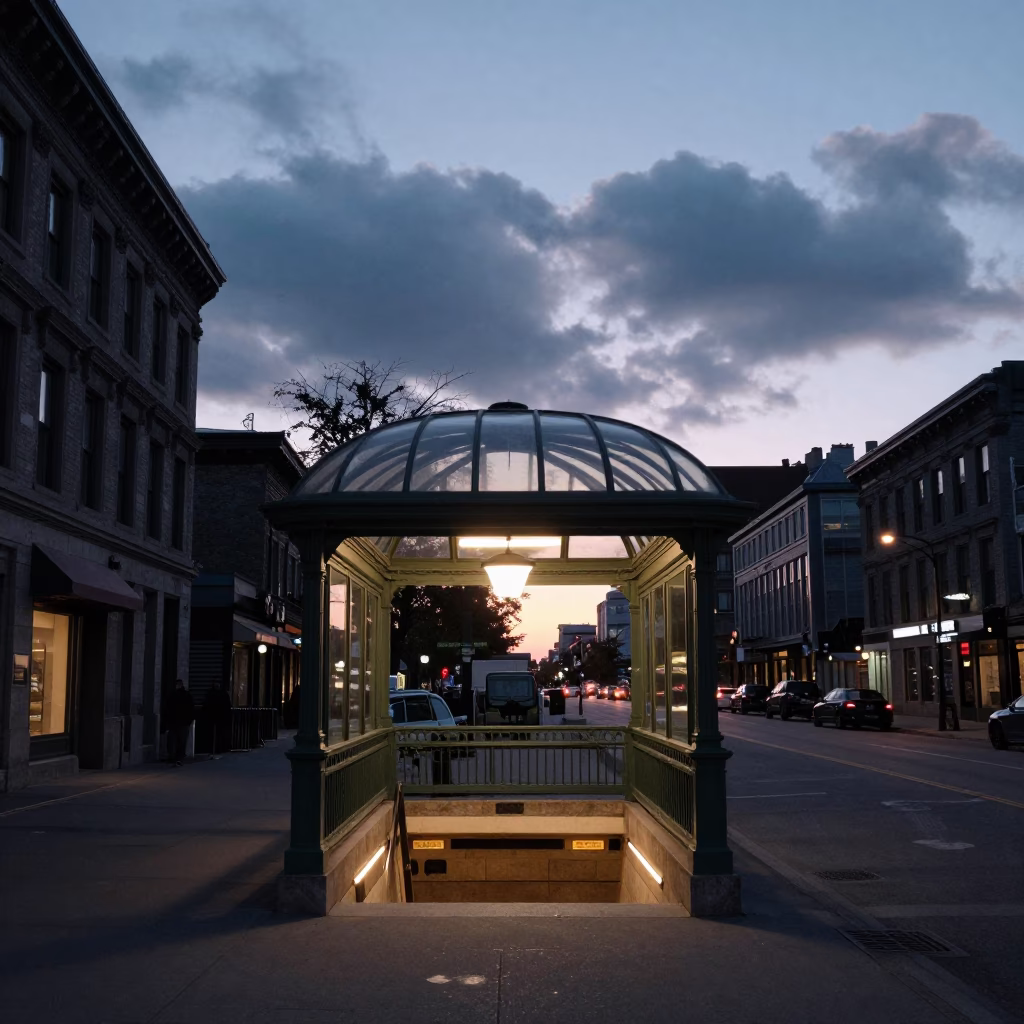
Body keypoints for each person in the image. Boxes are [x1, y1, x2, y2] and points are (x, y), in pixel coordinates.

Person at [166, 678, 195, 766]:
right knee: (180, 741)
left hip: (177, 722)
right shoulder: (185, 695)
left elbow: (168, 709)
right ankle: (178, 758)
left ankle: (175, 757)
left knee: (176, 740)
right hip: (181, 722)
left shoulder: (174, 695)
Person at [202, 680, 232, 755]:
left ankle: (216, 748)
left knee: (217, 733)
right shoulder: (222, 693)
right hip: (217, 717)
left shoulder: (213, 693)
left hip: (216, 717)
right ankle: (217, 748)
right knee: (217, 733)